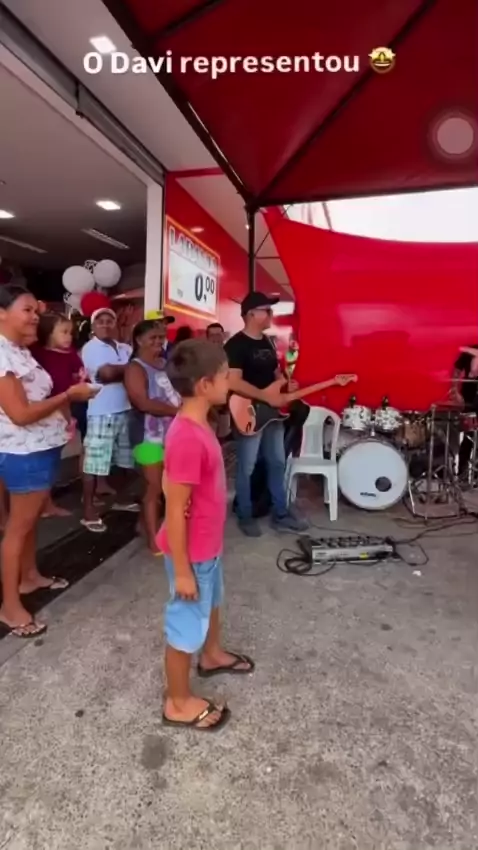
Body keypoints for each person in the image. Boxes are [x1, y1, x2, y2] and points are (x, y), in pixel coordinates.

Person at [157, 339, 254, 731]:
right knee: (185, 624)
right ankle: (178, 701)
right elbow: (174, 508)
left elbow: (173, 484)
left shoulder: (200, 424)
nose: (230, 381)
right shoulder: (187, 436)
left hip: (205, 547)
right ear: (204, 385)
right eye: (225, 375)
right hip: (192, 554)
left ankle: (211, 654)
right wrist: (182, 570)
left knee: (211, 602)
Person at [0, 284, 97, 638]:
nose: (34, 317)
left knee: (28, 524)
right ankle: (10, 607)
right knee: (17, 529)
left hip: (40, 447)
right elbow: (21, 414)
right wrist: (68, 395)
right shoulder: (2, 354)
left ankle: (28, 577)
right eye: (26, 310)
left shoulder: (19, 350)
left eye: (35, 311)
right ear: (1, 313)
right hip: (24, 452)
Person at [225, 292, 309, 537]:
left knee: (277, 462)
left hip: (272, 413)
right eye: (267, 310)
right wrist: (264, 395)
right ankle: (245, 515)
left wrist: (286, 384)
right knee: (247, 467)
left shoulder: (268, 342)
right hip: (248, 413)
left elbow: (275, 374)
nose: (271, 314)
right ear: (251, 314)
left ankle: (280, 513)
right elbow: (234, 382)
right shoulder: (235, 345)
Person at [124, 320, 181, 553]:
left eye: (161, 337)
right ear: (139, 340)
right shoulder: (135, 368)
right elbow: (142, 403)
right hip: (147, 437)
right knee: (154, 487)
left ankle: (145, 526)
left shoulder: (163, 364)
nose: (159, 341)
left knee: (164, 486)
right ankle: (153, 540)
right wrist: (178, 411)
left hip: (170, 434)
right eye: (153, 337)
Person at [80, 307, 137, 532]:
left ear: (115, 324)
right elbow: (106, 374)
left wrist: (121, 371)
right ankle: (88, 512)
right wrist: (130, 370)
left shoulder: (125, 348)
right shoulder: (91, 347)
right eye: (100, 321)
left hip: (126, 409)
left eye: (109, 321)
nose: (105, 324)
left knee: (124, 461)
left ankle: (121, 500)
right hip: (101, 412)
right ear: (93, 326)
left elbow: (126, 372)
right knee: (94, 464)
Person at [32, 312, 85, 517]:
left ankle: (47, 502)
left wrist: (81, 378)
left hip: (62, 411)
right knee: (43, 461)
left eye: (70, 332)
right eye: (64, 332)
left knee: (53, 459)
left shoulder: (70, 354)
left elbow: (78, 374)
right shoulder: (36, 353)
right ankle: (41, 503)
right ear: (48, 333)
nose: (69, 337)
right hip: (43, 413)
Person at [451, 344, 478, 475]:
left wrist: (469, 350)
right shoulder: (469, 352)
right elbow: (456, 370)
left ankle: (475, 474)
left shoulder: (470, 351)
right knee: (469, 434)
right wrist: (455, 390)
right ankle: (462, 471)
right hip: (469, 397)